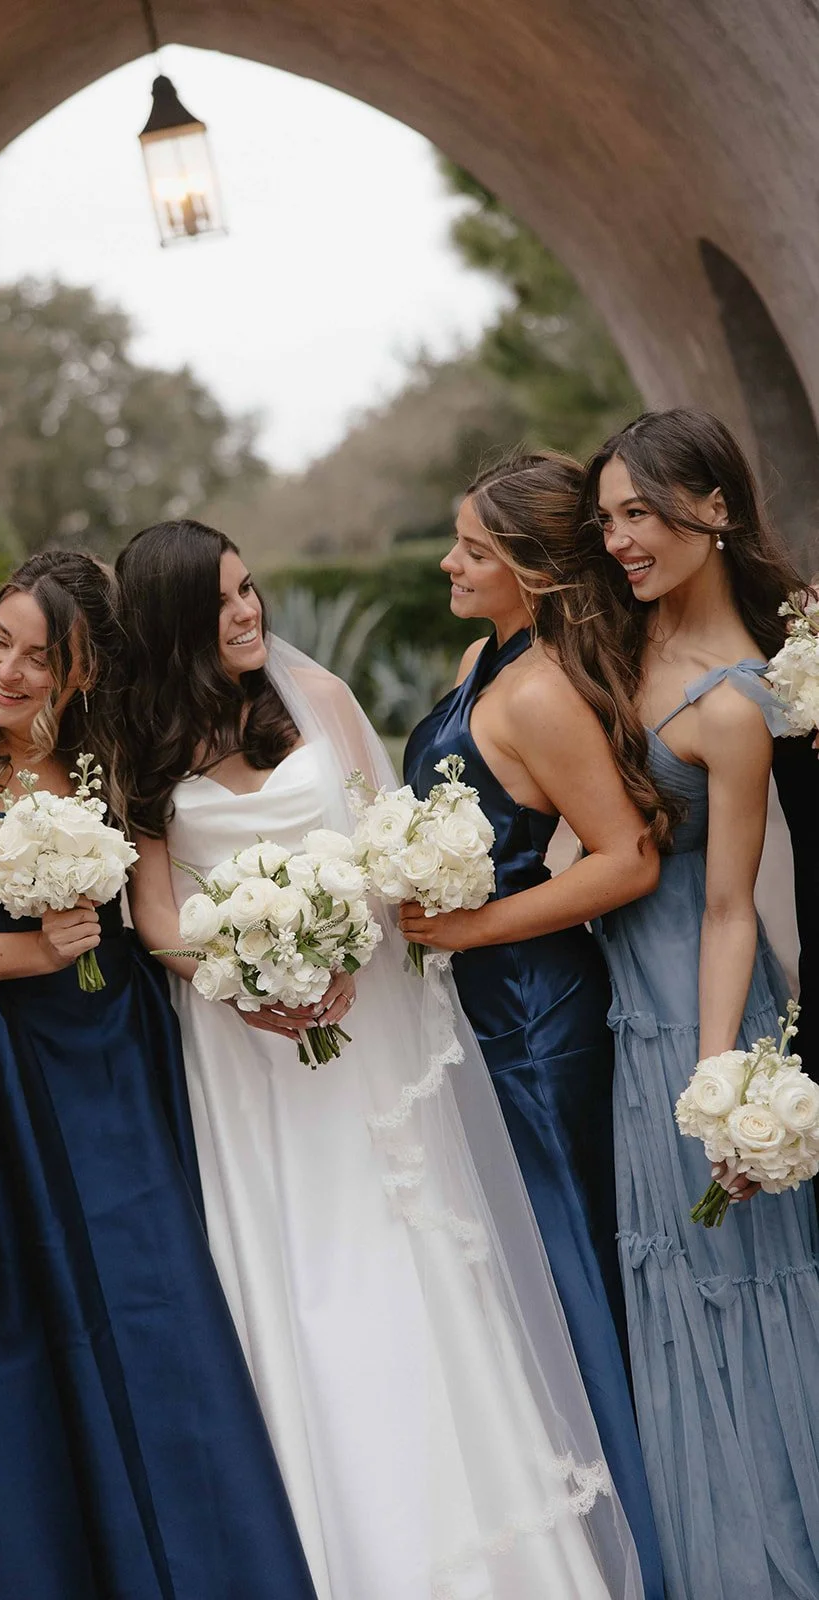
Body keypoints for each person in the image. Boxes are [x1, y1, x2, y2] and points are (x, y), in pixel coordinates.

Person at [116, 517, 645, 1600]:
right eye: (221, 600)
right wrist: (236, 979)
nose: (249, 610)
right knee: (299, 1277)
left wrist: (349, 941)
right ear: (174, 620)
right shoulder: (141, 746)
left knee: (404, 1253)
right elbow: (153, 912)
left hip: (368, 1037)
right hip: (243, 1055)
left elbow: (388, 851)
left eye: (250, 585)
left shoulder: (323, 704)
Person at [0, 549, 315, 1600]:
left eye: (44, 657)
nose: (12, 672)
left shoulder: (103, 754)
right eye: (2, 643)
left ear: (84, 673)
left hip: (118, 1055)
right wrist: (32, 952)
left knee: (156, 1293)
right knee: (35, 1321)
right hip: (6, 1081)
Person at [401, 451, 664, 1599]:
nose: (449, 561)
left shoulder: (545, 690)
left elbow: (626, 858)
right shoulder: (480, 662)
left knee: (565, 1255)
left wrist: (473, 926)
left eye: (471, 547)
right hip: (475, 1000)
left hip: (534, 1009)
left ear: (530, 571)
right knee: (516, 1265)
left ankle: (643, 1537)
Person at [574, 408, 819, 1598]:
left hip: (694, 1009)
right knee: (664, 1288)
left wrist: (718, 1082)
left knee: (732, 1282)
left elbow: (730, 908)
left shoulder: (738, 701)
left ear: (713, 510)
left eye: (642, 513)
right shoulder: (608, 644)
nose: (620, 538)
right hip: (617, 1005)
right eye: (608, 515)